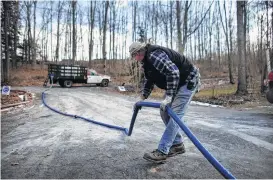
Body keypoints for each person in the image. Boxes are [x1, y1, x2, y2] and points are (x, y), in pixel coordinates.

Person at [129, 42, 200, 163]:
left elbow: (173, 72)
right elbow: (150, 79)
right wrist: (143, 97)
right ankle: (177, 145)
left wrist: (169, 96)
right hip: (177, 83)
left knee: (175, 115)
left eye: (134, 55)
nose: (135, 59)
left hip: (187, 81)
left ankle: (162, 151)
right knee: (165, 112)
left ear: (139, 52)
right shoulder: (146, 62)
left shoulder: (154, 55)